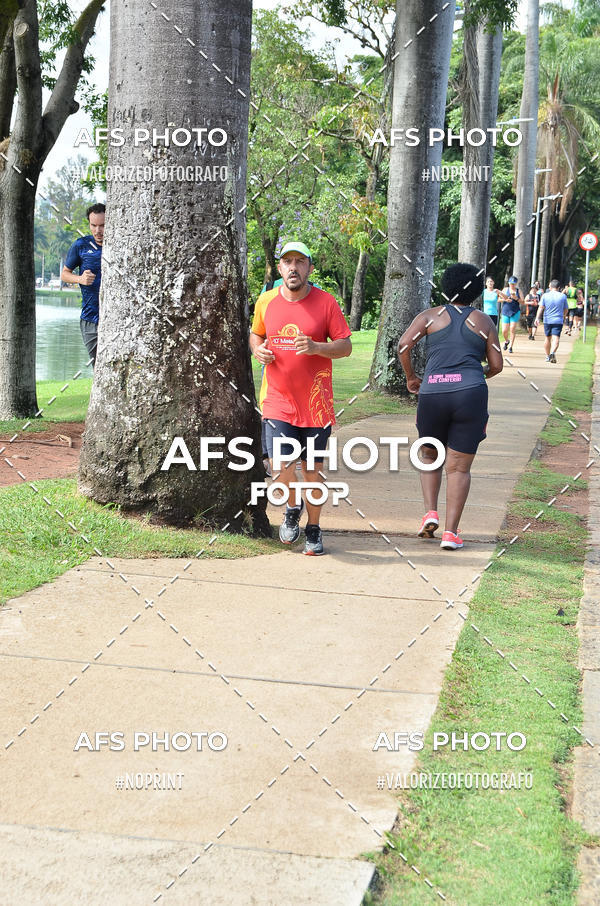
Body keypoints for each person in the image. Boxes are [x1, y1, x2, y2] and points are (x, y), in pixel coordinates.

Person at [250, 241, 352, 555]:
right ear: (279, 268)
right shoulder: (266, 301)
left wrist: (317, 347)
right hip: (278, 400)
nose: (293, 268)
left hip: (316, 405)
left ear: (309, 267)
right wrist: (258, 349)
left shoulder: (325, 303)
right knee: (281, 466)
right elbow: (256, 334)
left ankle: (314, 528)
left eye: (299, 262)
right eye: (287, 262)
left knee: (312, 470)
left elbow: (345, 346)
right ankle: (293, 509)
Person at [397, 263, 503, 551]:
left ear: (445, 287)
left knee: (429, 454)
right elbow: (497, 365)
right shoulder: (483, 322)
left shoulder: (430, 317)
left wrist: (412, 377)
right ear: (477, 291)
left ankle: (430, 512)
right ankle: (450, 533)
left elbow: (404, 346)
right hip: (470, 394)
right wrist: (476, 373)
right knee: (458, 468)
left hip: (432, 392)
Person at [61, 203, 105, 367]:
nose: (97, 231)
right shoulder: (81, 245)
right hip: (90, 319)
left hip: (117, 317)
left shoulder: (120, 246)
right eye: (93, 225)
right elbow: (64, 274)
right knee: (98, 368)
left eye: (102, 226)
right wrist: (80, 279)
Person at [535, 279, 569, 363]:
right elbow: (566, 309)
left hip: (547, 319)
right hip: (558, 319)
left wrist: (537, 318)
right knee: (556, 338)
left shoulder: (545, 296)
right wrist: (563, 316)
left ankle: (547, 356)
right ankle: (553, 353)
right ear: (559, 287)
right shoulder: (563, 296)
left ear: (550, 287)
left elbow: (541, 308)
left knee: (547, 338)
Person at [500, 275, 522, 353]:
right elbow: (498, 299)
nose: (512, 285)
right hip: (505, 311)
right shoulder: (505, 289)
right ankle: (506, 341)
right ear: (509, 283)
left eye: (513, 283)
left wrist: (516, 298)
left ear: (516, 284)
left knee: (512, 328)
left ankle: (511, 347)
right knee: (504, 330)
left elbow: (523, 302)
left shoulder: (518, 291)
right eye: (511, 283)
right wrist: (506, 299)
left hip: (515, 311)